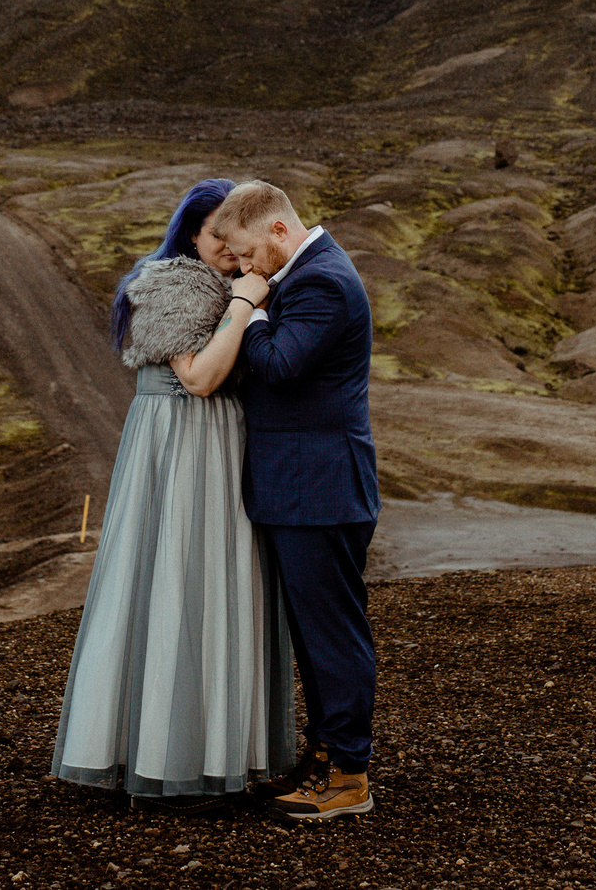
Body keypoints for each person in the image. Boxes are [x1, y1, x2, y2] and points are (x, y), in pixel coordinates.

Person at [50, 179, 298, 810]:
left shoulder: (227, 282)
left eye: (233, 233)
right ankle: (164, 755)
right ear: (190, 232)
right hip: (181, 448)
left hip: (220, 449)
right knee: (172, 584)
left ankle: (214, 751)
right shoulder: (173, 282)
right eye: (216, 231)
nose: (226, 244)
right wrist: (244, 305)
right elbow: (201, 378)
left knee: (216, 588)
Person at [210, 179, 379, 822]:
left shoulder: (322, 282)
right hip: (305, 487)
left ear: (279, 230)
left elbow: (279, 364)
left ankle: (348, 777)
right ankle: (328, 758)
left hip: (321, 487)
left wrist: (248, 308)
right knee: (314, 635)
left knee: (333, 635)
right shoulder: (304, 273)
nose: (247, 268)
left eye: (251, 254)